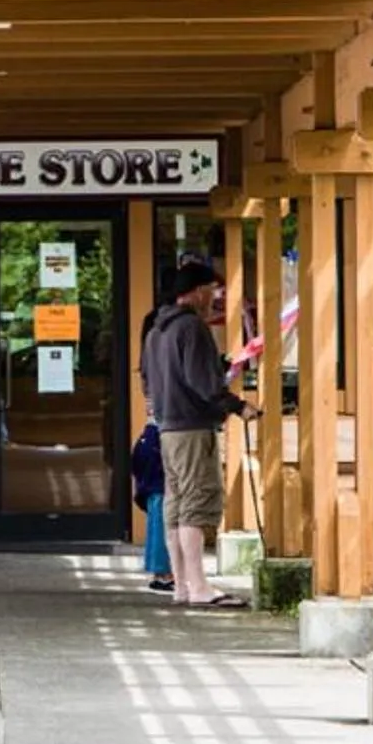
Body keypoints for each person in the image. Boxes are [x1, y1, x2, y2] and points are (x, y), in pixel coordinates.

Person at [139, 259, 252, 608]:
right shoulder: (192, 328)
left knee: (175, 504)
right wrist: (238, 406)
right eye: (212, 291)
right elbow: (203, 383)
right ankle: (200, 587)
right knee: (196, 502)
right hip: (192, 427)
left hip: (167, 427)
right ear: (197, 292)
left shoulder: (156, 330)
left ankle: (182, 586)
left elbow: (148, 380)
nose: (215, 298)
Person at [132, 419, 171, 591]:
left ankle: (158, 571)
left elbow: (136, 464)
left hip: (151, 488)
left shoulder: (145, 437)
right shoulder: (162, 436)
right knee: (162, 529)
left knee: (155, 528)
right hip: (162, 487)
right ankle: (164, 573)